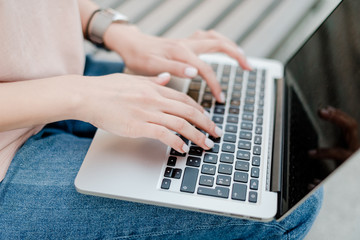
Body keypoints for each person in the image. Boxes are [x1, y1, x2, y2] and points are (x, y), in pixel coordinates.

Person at [0, 0, 322, 239]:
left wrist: (117, 32)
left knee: (285, 164)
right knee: (283, 212)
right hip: (12, 152)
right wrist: (83, 96)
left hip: (68, 73)